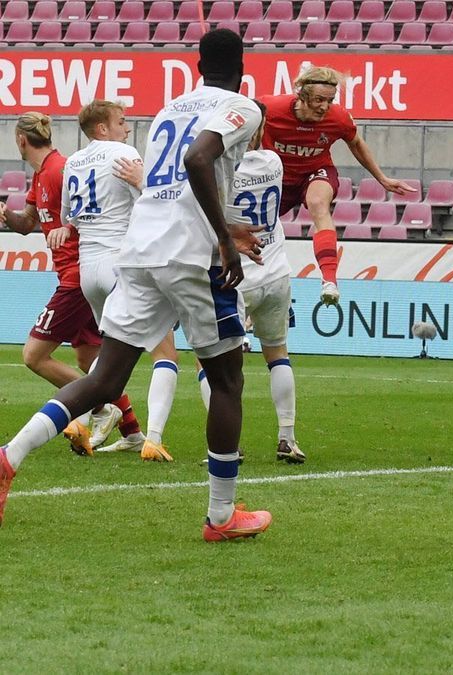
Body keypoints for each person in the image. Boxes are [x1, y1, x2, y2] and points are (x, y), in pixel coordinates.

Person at [0, 29, 271, 542]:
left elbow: (167, 182)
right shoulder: (241, 106)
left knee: (104, 379)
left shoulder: (170, 109)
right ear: (242, 66)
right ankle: (221, 517)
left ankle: (7, 457)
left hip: (140, 250)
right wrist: (224, 238)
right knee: (228, 378)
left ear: (196, 65)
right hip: (190, 257)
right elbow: (197, 162)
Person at [0, 112, 129, 457]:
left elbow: (83, 219)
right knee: (89, 359)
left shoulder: (60, 170)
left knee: (34, 355)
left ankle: (99, 407)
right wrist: (4, 214)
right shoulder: (43, 173)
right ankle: (131, 430)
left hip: (78, 276)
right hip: (78, 275)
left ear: (20, 140)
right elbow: (28, 223)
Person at [62, 99, 179, 460]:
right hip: (120, 263)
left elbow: (70, 215)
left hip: (88, 268)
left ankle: (81, 419)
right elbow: (155, 201)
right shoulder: (123, 153)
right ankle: (154, 439)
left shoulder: (72, 162)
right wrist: (144, 183)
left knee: (112, 353)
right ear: (102, 128)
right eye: (122, 121)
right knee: (165, 352)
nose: (127, 128)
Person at [197, 101, 305, 464]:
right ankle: (287, 438)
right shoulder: (273, 162)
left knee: (207, 363)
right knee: (277, 353)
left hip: (235, 275)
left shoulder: (224, 169)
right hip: (276, 272)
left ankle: (229, 445)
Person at [261, 66, 415, 307]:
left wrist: (382, 178)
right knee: (257, 229)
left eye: (330, 100)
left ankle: (329, 281)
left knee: (318, 203)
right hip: (275, 179)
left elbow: (356, 143)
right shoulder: (270, 109)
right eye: (319, 100)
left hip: (315, 172)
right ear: (302, 95)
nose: (324, 106)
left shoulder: (338, 117)